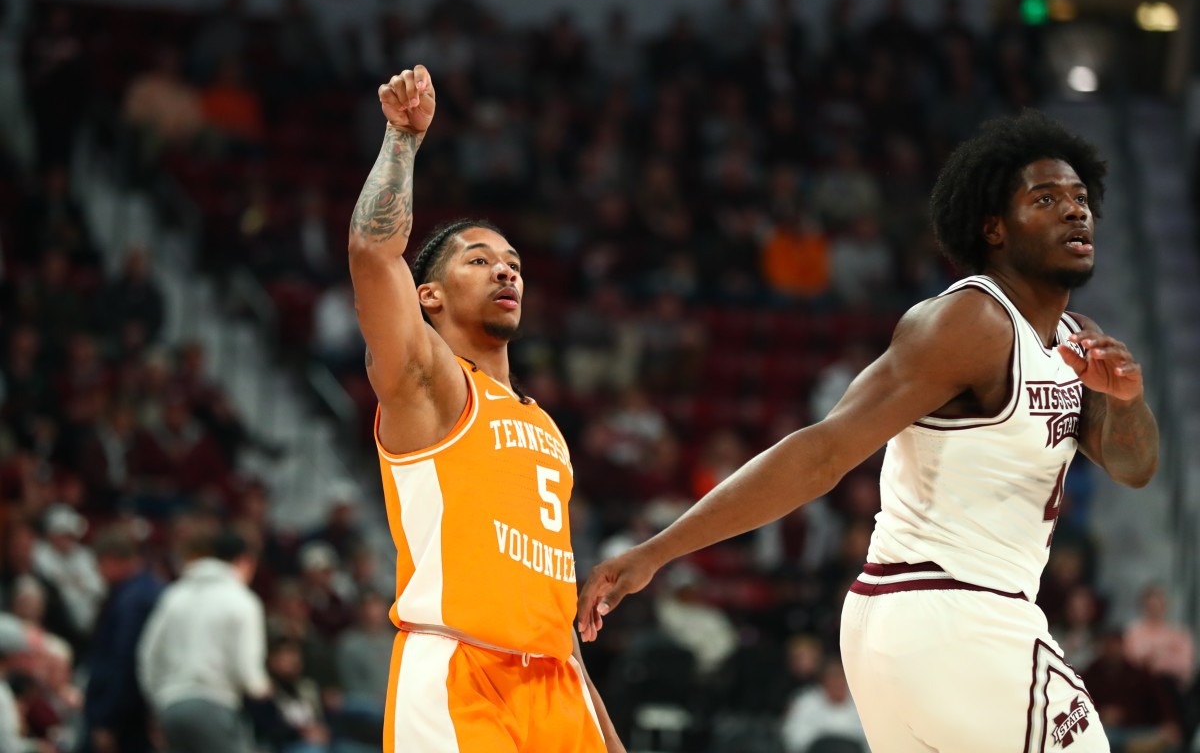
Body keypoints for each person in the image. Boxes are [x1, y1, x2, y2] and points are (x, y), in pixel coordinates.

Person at [578, 110, 1160, 752]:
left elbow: (1133, 467)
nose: (1075, 212)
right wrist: (657, 551)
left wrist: (1126, 400)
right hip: (956, 610)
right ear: (993, 227)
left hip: (909, 622)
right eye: (1045, 199)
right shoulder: (972, 321)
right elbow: (822, 453)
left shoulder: (1082, 344)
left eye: (1080, 199)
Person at [348, 64, 622, 752]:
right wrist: (402, 141)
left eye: (514, 263)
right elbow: (372, 253)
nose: (506, 270)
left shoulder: (547, 426)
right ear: (430, 296)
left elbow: (552, 601)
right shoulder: (432, 384)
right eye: (478, 260)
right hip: (459, 673)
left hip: (559, 683)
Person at [137, 529, 270, 753]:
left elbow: (148, 655)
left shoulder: (174, 594)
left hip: (170, 707)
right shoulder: (242, 600)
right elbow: (248, 672)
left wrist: (159, 700)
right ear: (245, 561)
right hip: (214, 704)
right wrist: (262, 688)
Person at [80, 529, 164, 753]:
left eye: (99, 564)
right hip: (138, 710)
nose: (98, 572)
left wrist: (108, 720)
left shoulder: (133, 599)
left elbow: (124, 662)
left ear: (111, 559)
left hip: (126, 717)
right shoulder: (149, 589)